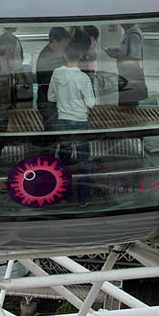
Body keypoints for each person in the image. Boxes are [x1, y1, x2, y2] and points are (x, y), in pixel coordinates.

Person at [48, 41, 95, 205]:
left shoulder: (56, 73)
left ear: (64, 55)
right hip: (80, 121)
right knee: (84, 161)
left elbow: (50, 98)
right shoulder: (83, 77)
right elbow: (91, 103)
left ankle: (63, 195)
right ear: (81, 56)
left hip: (63, 120)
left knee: (63, 160)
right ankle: (83, 198)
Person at [35, 27, 70, 128]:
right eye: (64, 43)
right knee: (54, 132)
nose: (66, 46)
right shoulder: (48, 58)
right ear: (54, 41)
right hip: (49, 103)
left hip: (53, 102)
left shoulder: (55, 55)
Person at [108, 23, 147, 107]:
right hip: (125, 73)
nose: (121, 24)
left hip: (130, 75)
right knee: (124, 101)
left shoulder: (134, 35)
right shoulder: (127, 33)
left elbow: (136, 58)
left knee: (129, 103)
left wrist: (116, 55)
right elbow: (127, 52)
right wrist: (117, 50)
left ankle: (130, 119)